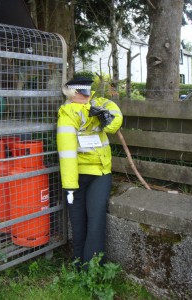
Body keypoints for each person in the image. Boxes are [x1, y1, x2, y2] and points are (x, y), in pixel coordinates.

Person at [56, 77, 123, 267]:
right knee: (78, 224)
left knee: (96, 222)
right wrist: (69, 186)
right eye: (80, 93)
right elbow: (67, 153)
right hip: (77, 176)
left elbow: (113, 123)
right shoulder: (67, 113)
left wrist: (106, 117)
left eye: (86, 92)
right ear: (72, 94)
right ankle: (79, 266)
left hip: (100, 173)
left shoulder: (99, 104)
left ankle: (92, 269)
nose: (84, 96)